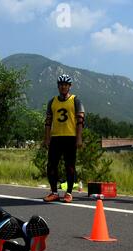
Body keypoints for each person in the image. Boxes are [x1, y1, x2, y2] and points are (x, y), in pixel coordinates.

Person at [43, 75, 85, 203]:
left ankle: (69, 193)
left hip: (70, 138)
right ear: (58, 86)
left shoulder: (75, 100)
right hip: (56, 138)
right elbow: (48, 121)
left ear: (69, 86)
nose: (63, 86)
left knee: (70, 166)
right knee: (51, 166)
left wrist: (79, 138)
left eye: (66, 84)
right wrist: (46, 138)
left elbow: (80, 120)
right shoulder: (52, 101)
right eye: (61, 84)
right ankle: (54, 192)